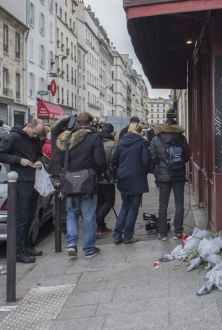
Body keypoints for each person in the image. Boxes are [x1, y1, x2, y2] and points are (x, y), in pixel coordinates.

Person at [55, 111, 107, 259]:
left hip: (70, 181)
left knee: (72, 213)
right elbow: (100, 160)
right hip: (87, 181)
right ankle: (89, 249)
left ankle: (71, 244)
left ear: (76, 123)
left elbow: (60, 162)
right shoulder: (93, 137)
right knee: (88, 216)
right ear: (90, 123)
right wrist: (103, 171)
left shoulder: (67, 138)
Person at [0, 118, 44, 263]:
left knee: (31, 215)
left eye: (38, 135)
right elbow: (0, 153)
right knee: (22, 216)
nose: (35, 137)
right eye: (34, 133)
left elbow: (39, 154)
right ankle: (18, 250)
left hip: (34, 179)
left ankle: (26, 244)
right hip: (21, 180)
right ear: (28, 126)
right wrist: (19, 160)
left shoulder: (36, 139)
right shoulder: (14, 137)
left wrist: (38, 161)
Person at [150, 118, 190, 240]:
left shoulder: (156, 139)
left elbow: (153, 157)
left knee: (163, 204)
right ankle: (178, 231)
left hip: (163, 175)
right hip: (178, 174)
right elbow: (187, 157)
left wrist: (160, 168)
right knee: (179, 203)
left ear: (165, 125)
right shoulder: (181, 138)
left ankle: (162, 233)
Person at [111, 122, 150, 244]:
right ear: (139, 131)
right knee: (133, 207)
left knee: (125, 206)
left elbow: (113, 159)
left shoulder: (121, 142)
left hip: (123, 175)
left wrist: (122, 167)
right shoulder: (142, 142)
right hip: (136, 176)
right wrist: (143, 170)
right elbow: (146, 159)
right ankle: (128, 236)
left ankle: (117, 235)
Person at [96, 123, 117, 236]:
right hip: (107, 177)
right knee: (109, 200)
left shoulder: (95, 141)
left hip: (95, 176)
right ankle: (98, 218)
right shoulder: (112, 144)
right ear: (111, 132)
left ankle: (100, 227)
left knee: (99, 200)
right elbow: (115, 160)